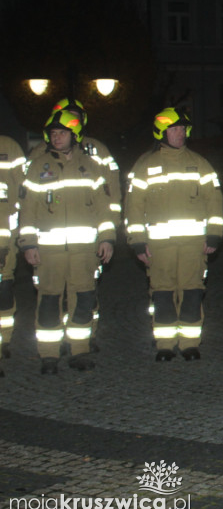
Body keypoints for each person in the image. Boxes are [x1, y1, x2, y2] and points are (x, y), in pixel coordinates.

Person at [18, 110, 117, 374]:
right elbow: (26, 210)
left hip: (84, 252)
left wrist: (107, 238)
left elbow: (103, 209)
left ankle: (79, 351)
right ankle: (49, 355)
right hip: (48, 252)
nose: (56, 137)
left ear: (75, 136)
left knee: (83, 300)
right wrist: (28, 244)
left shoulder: (91, 167)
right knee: (49, 301)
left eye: (62, 133)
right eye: (53, 133)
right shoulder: (38, 167)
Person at [124, 108, 223, 362]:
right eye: (175, 129)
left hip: (193, 246)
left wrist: (214, 234)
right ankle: (165, 344)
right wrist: (137, 242)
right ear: (162, 132)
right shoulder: (145, 165)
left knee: (191, 292)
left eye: (183, 129)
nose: (181, 134)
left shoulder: (200, 163)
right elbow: (133, 207)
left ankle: (190, 343)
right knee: (162, 294)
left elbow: (215, 201)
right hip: (159, 247)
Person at [0, 134, 26, 369]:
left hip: (4, 239)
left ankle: (4, 340)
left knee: (3, 289)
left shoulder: (9, 147)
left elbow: (23, 193)